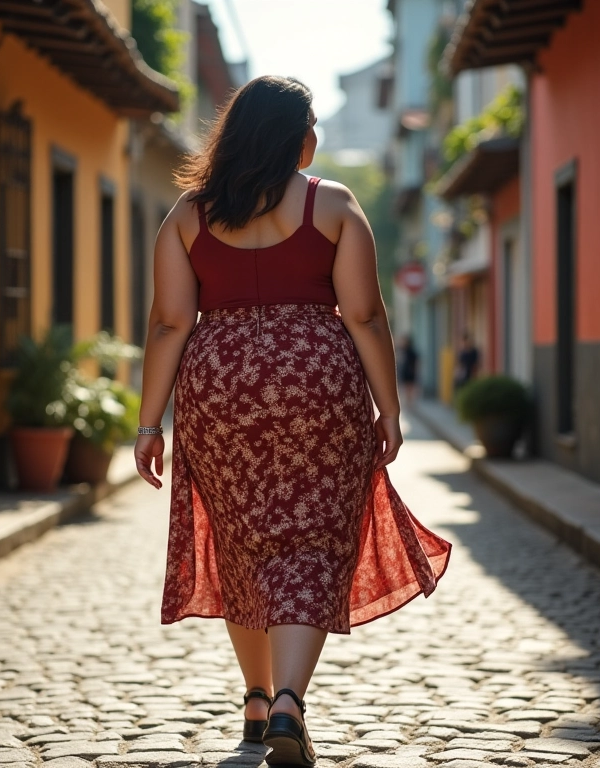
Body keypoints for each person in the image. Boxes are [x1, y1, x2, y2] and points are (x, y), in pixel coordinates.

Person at [134, 76, 451, 768]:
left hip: (221, 391)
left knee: (243, 543)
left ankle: (255, 699)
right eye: (314, 126)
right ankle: (287, 704)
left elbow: (167, 324)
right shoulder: (332, 205)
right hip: (319, 387)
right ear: (295, 135)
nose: (318, 139)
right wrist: (389, 407)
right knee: (309, 542)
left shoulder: (189, 216)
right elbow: (365, 315)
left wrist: (148, 423)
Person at [398, 335, 419, 407]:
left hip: (410, 372)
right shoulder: (403, 351)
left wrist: (415, 371)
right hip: (405, 372)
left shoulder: (411, 352)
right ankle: (408, 402)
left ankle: (410, 402)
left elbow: (416, 362)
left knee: (410, 387)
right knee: (407, 387)